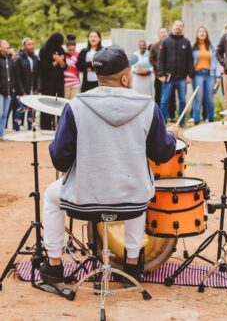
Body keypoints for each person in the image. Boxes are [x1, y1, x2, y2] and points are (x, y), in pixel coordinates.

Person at [39, 45, 178, 286]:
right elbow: (162, 153)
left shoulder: (75, 107)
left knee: (52, 196)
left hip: (84, 201)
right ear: (125, 77)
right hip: (131, 202)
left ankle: (53, 266)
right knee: (138, 189)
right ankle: (133, 266)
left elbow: (59, 159)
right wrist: (171, 136)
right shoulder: (148, 106)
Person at [157, 20, 194, 127]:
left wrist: (190, 75)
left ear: (183, 28)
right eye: (177, 25)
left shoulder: (186, 42)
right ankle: (162, 123)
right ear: (173, 26)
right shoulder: (166, 41)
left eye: (181, 26)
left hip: (182, 78)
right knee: (164, 101)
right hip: (168, 78)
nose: (178, 27)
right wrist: (160, 74)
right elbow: (160, 59)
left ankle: (182, 122)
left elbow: (190, 60)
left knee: (182, 101)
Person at [192, 27, 221, 125]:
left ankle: (211, 119)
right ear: (197, 34)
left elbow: (217, 62)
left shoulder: (212, 47)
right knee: (198, 97)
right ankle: (196, 120)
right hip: (198, 75)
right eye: (200, 31)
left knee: (210, 97)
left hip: (210, 75)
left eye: (204, 31)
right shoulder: (194, 47)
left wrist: (218, 76)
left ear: (207, 34)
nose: (202, 33)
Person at [39, 32, 66, 130]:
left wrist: (60, 61)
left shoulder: (61, 49)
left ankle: (60, 127)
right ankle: (46, 127)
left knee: (60, 104)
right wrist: (56, 61)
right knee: (47, 103)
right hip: (47, 82)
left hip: (59, 81)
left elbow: (64, 66)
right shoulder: (44, 50)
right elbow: (44, 67)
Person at [149, 28, 176, 121]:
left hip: (171, 76)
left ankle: (172, 115)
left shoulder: (172, 44)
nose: (163, 34)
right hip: (159, 75)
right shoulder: (154, 46)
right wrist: (161, 67)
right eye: (161, 32)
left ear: (167, 33)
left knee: (172, 96)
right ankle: (158, 117)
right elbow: (151, 59)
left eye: (164, 32)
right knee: (158, 95)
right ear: (158, 35)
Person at [14, 37, 41, 130]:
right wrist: (22, 91)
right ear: (24, 46)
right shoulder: (19, 59)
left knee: (31, 110)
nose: (31, 46)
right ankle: (17, 130)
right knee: (20, 110)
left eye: (32, 44)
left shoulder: (35, 58)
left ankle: (31, 129)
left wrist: (37, 89)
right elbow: (17, 77)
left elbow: (38, 75)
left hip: (32, 89)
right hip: (22, 90)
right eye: (29, 44)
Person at [0, 40, 15, 140]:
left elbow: (12, 75)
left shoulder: (9, 59)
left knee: (5, 114)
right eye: (5, 44)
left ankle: (1, 134)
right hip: (0, 91)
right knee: (0, 113)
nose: (8, 45)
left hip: (8, 91)